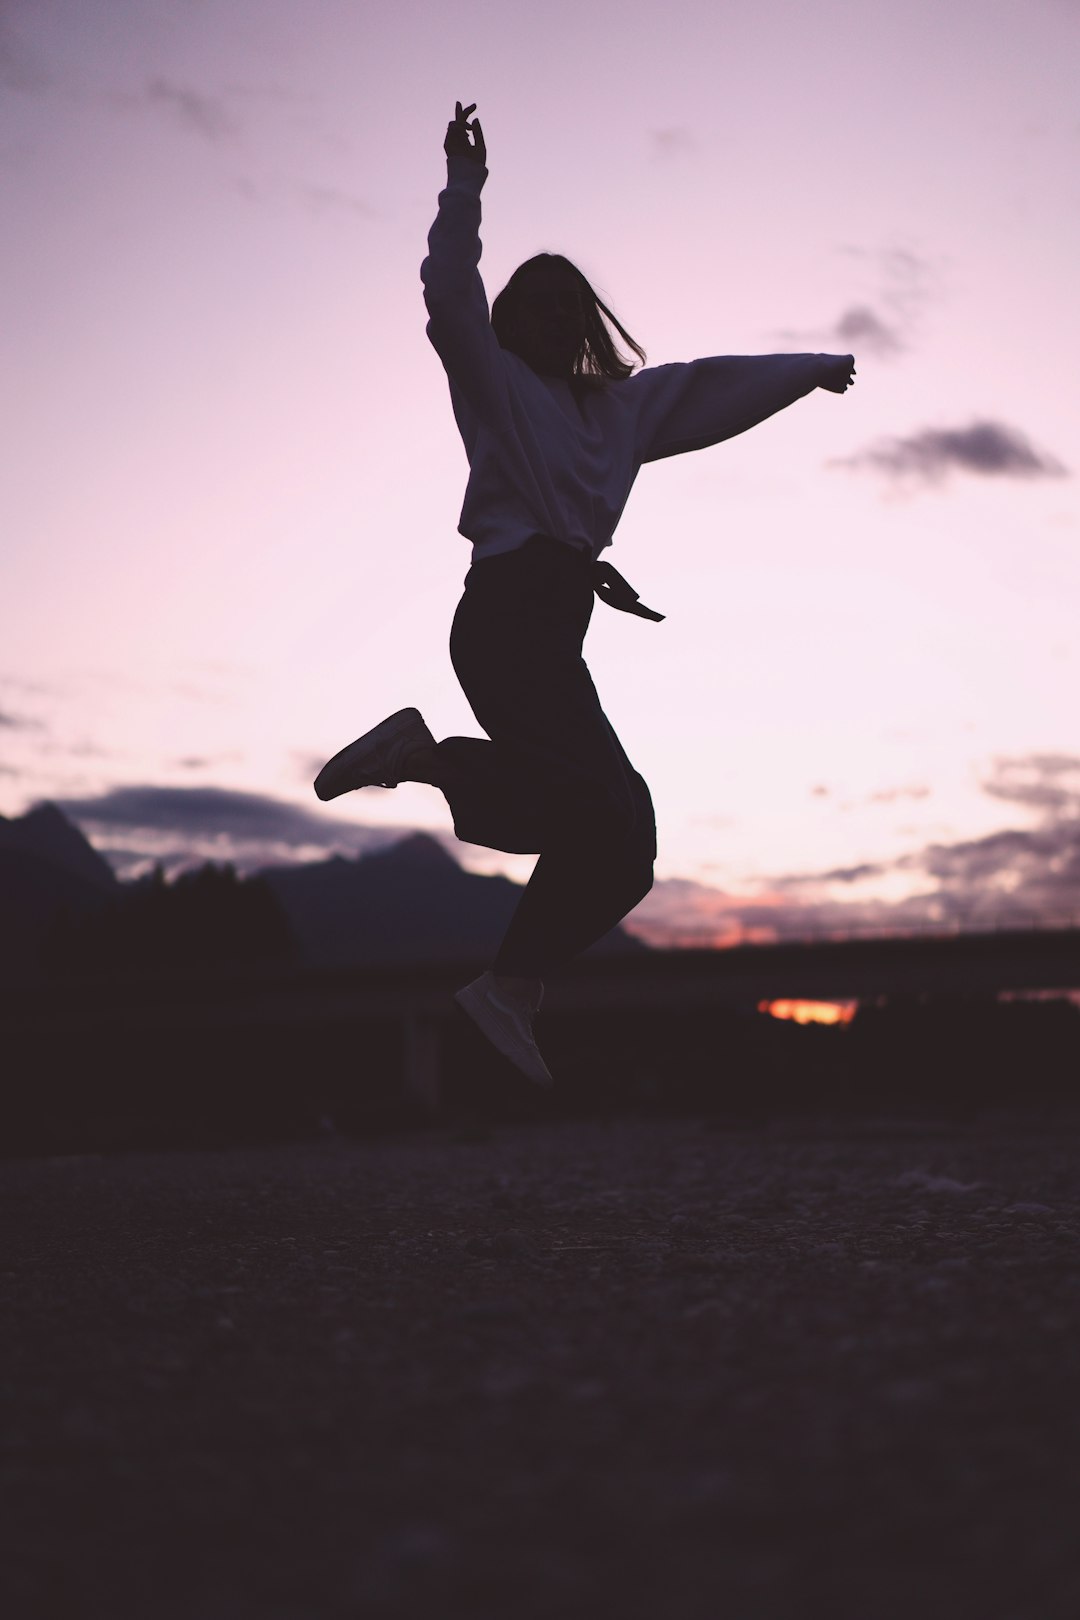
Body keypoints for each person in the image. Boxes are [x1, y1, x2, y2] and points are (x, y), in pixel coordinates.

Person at [314, 100, 855, 1087]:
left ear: (587, 323)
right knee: (615, 814)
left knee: (619, 838)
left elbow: (710, 387)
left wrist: (808, 368)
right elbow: (446, 290)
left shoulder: (620, 413)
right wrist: (464, 184)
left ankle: (442, 807)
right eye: (542, 308)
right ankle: (496, 955)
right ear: (521, 325)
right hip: (506, 622)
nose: (560, 322)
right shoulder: (498, 386)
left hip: (545, 632)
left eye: (573, 308)